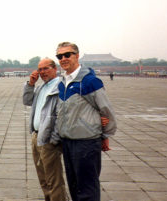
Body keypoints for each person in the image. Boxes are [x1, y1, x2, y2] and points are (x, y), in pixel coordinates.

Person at [54, 42, 117, 201]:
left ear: (77, 55)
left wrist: (105, 136)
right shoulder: (63, 83)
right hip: (68, 142)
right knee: (74, 185)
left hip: (86, 143)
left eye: (67, 54)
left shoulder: (89, 82)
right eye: (60, 56)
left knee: (87, 188)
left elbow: (106, 111)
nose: (63, 59)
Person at [23, 58, 67, 201]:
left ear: (55, 68)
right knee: (43, 177)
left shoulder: (60, 87)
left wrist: (54, 139)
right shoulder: (42, 87)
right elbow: (27, 101)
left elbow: (62, 116)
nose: (42, 72)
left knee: (54, 179)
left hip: (48, 139)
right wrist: (30, 84)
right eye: (40, 69)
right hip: (37, 136)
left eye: (46, 68)